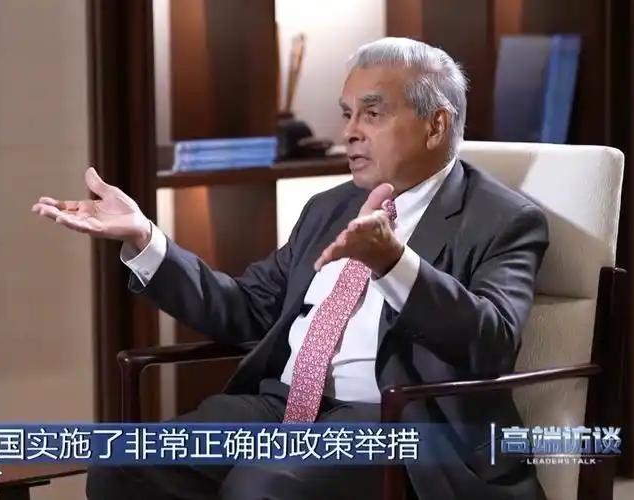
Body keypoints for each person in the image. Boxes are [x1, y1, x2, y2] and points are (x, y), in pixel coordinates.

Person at [33, 37, 549, 500]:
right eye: (346, 114)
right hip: (283, 406)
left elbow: (492, 342)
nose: (349, 132)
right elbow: (246, 309)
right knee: (123, 469)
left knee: (263, 486)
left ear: (436, 124)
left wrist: (393, 262)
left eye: (372, 114)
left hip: (395, 425)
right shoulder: (329, 207)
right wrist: (145, 238)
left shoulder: (502, 220)